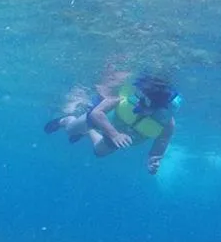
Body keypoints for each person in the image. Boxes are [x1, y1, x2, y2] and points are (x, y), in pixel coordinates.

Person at [43, 74, 180, 175]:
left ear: (159, 107)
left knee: (99, 152)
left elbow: (163, 139)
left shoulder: (167, 122)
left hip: (119, 133)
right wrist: (114, 135)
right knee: (70, 130)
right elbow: (96, 113)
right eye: (139, 97)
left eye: (145, 103)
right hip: (102, 120)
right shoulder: (126, 97)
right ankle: (66, 119)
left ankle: (88, 131)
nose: (139, 103)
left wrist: (154, 158)